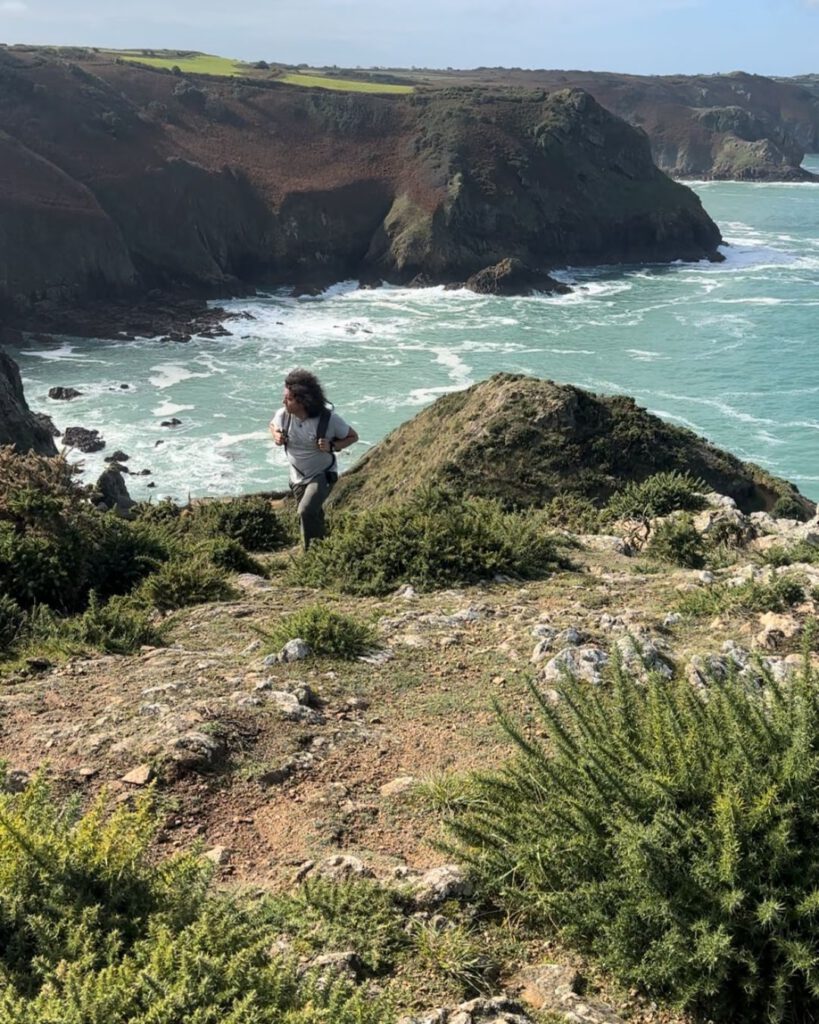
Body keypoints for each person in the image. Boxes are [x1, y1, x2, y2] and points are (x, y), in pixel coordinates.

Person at [269, 369, 358, 549]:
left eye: (288, 398)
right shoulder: (283, 415)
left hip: (322, 475)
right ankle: (324, 551)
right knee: (314, 515)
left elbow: (352, 436)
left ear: (302, 401)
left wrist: (332, 446)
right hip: (297, 476)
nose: (283, 401)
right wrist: (276, 435)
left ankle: (310, 556)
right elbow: (272, 425)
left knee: (305, 511)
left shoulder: (329, 420)